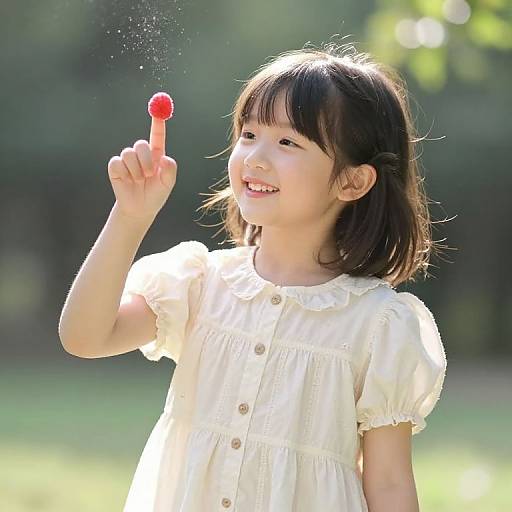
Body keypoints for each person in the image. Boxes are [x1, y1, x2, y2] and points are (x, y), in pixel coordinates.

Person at [58, 43, 448, 512]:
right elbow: (85, 336)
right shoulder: (200, 283)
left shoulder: (378, 325)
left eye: (288, 142)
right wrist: (130, 217)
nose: (256, 157)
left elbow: (388, 484)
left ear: (352, 181)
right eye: (248, 134)